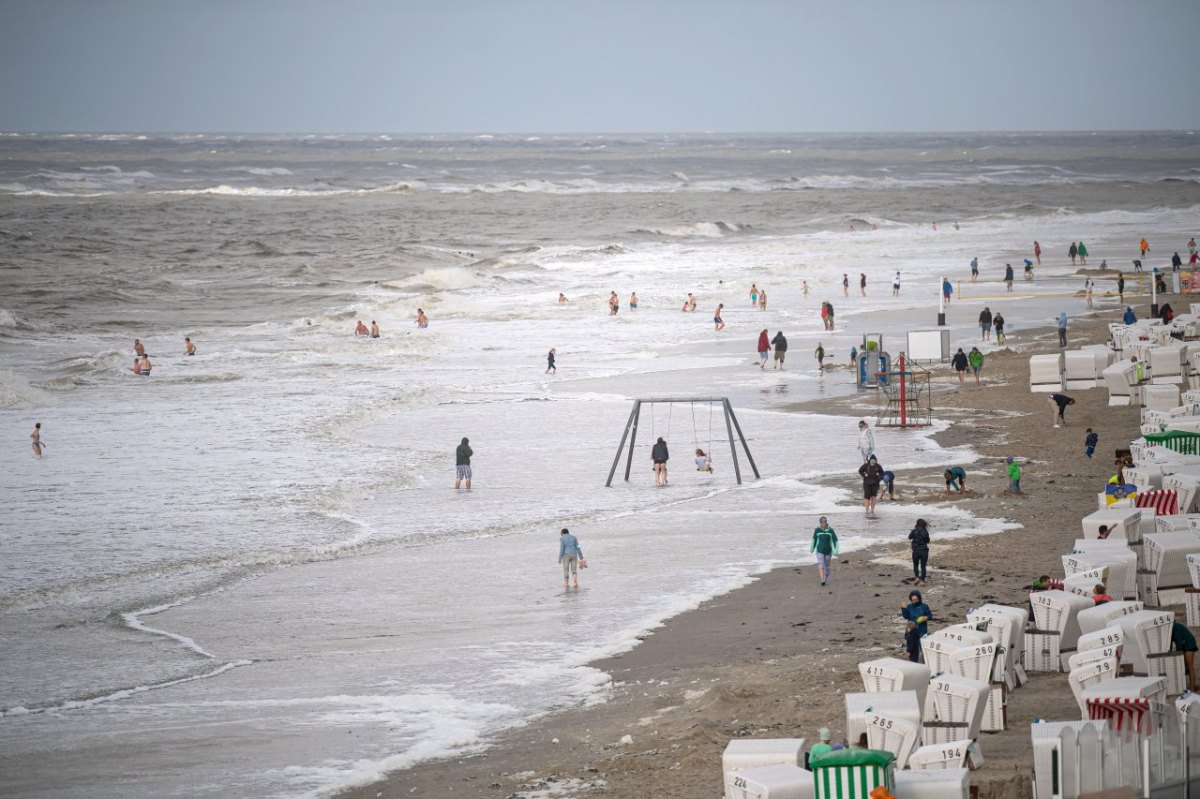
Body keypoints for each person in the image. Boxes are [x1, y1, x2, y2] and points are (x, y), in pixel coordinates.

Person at [1172, 615, 1198, 692]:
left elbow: (1179, 645)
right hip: (1184, 643)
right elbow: (1170, 643)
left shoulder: (1176, 627)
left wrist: (1178, 657)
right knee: (1184, 665)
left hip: (1189, 643)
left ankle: (1192, 689)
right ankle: (1186, 687)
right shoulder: (1170, 629)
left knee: (1189, 666)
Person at [810, 516, 839, 586]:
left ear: (826, 522)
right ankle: (822, 579)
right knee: (821, 564)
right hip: (819, 550)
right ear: (820, 523)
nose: (823, 523)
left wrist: (836, 550)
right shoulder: (817, 530)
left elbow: (835, 540)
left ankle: (825, 578)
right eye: (822, 522)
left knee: (827, 566)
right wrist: (812, 548)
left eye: (825, 522)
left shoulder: (830, 530)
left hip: (828, 551)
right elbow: (814, 540)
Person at [908, 518, 930, 585]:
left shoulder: (914, 531)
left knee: (915, 564)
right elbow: (928, 541)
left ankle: (917, 577)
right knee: (923, 566)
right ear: (924, 524)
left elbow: (909, 537)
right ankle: (922, 581)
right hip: (924, 550)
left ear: (917, 524)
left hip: (916, 551)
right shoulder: (925, 531)